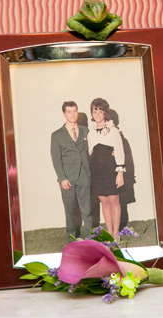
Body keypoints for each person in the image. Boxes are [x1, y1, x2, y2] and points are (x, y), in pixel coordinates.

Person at [50, 101, 91, 242]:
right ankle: (72, 241)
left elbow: (95, 150)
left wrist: (112, 152)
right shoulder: (57, 135)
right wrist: (62, 178)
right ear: (64, 114)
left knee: (87, 211)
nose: (72, 114)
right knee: (70, 211)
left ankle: (91, 241)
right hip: (68, 179)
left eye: (74, 111)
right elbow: (56, 159)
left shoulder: (86, 131)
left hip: (85, 176)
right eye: (69, 111)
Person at [88, 98, 125, 240]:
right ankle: (109, 233)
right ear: (92, 113)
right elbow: (90, 153)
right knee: (104, 201)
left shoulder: (113, 131)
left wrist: (120, 173)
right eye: (94, 111)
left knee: (114, 201)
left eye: (100, 111)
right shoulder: (90, 134)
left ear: (105, 113)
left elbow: (119, 151)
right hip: (97, 171)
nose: (97, 114)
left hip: (111, 170)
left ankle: (116, 234)